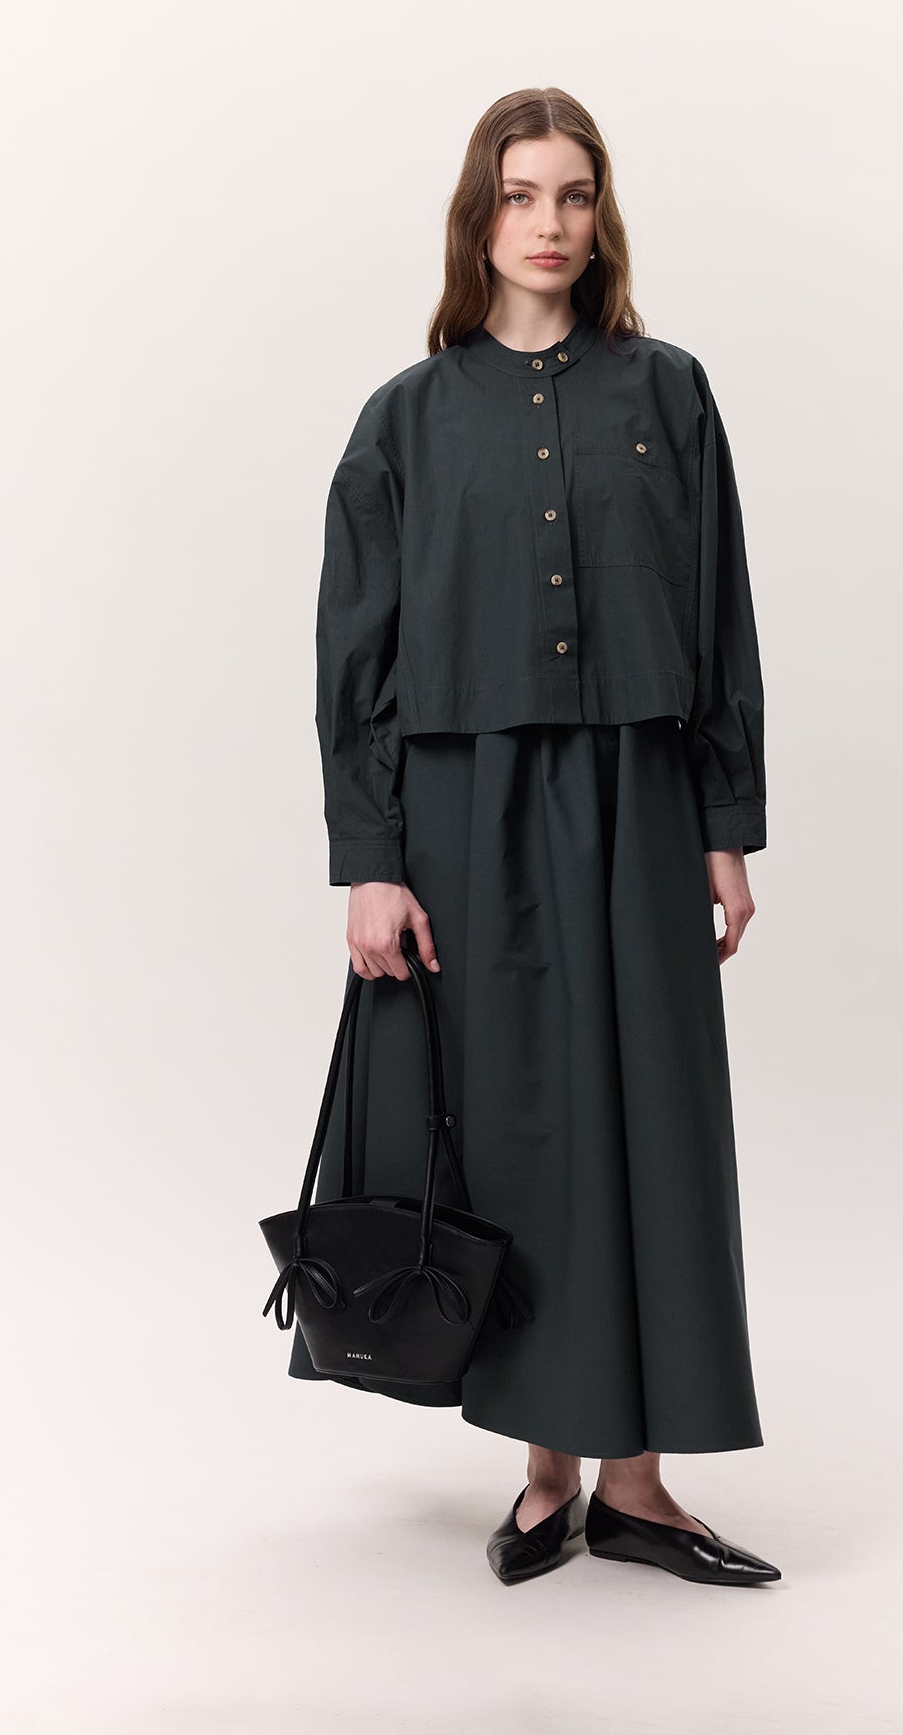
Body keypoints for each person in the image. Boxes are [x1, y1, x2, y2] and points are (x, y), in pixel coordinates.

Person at [289, 86, 782, 1589]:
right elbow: (354, 657)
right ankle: (544, 1472)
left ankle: (637, 1488)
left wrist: (725, 825)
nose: (550, 225)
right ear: (479, 218)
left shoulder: (669, 394)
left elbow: (718, 615)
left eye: (574, 195)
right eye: (521, 196)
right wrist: (373, 858)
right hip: (466, 814)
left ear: (601, 214)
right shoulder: (406, 419)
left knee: (649, 1121)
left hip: (640, 799)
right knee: (513, 1131)